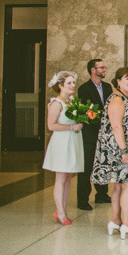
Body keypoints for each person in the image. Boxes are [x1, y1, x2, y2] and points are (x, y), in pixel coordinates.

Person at [91, 66, 128, 239]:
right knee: (127, 186)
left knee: (118, 186)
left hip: (122, 149)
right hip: (119, 150)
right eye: (127, 78)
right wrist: (124, 151)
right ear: (118, 81)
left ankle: (115, 221)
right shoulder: (117, 100)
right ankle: (127, 225)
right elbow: (115, 126)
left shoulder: (124, 98)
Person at [43, 71, 84, 225]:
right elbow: (50, 125)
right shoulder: (56, 103)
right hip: (62, 141)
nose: (72, 85)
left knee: (68, 177)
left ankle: (63, 209)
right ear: (60, 86)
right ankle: (60, 212)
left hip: (72, 140)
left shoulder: (72, 101)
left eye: (73, 82)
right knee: (60, 178)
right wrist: (71, 127)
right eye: (69, 83)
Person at [76, 59, 112, 210]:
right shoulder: (84, 89)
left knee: (103, 163)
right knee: (87, 166)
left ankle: (102, 194)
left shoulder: (108, 87)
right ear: (93, 69)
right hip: (90, 133)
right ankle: (83, 199)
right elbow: (86, 111)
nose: (104, 69)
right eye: (101, 67)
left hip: (105, 133)